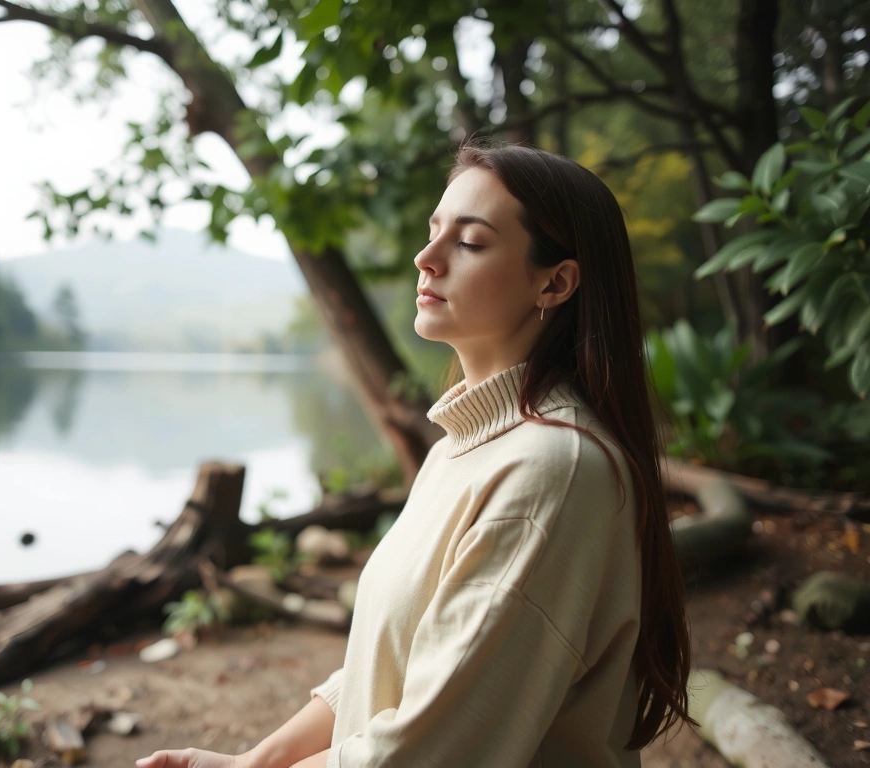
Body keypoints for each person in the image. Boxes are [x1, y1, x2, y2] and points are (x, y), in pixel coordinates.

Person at [135, 142, 693, 768]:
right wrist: (252, 762)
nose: (427, 258)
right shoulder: (462, 445)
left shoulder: (550, 471)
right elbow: (392, 667)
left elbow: (431, 748)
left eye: (471, 242)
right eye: (434, 232)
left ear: (554, 282)